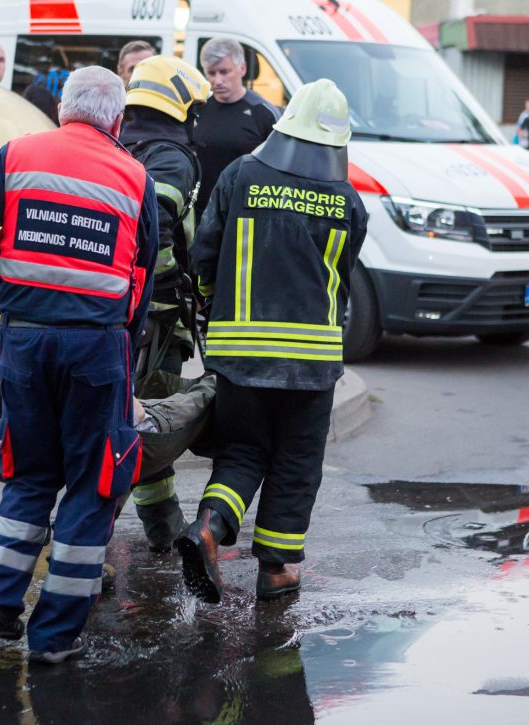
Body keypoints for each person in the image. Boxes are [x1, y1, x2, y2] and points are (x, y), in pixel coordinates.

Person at [0, 66, 159, 663]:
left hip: (26, 342)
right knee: (93, 483)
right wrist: (127, 351)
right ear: (116, 120)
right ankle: (55, 637)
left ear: (64, 110)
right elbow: (142, 275)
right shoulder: (135, 177)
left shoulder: (16, 155)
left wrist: (7, 268)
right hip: (96, 346)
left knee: (31, 474)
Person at [177, 79, 368, 603]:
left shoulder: (240, 176)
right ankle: (277, 569)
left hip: (239, 354)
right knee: (297, 461)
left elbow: (204, 256)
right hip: (312, 362)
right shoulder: (347, 200)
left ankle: (209, 529)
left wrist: (217, 308)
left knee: (241, 453)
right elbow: (342, 276)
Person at [119, 55, 209, 551]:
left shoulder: (120, 142)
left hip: (115, 310)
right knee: (146, 421)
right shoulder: (170, 156)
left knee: (132, 417)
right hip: (152, 319)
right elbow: (154, 220)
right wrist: (170, 281)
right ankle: (94, 537)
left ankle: (162, 528)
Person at [192, 37, 281, 220]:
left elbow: (278, 172)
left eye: (224, 72)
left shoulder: (264, 114)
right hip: (203, 213)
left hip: (246, 214)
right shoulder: (197, 109)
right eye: (211, 73)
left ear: (242, 69)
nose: (217, 80)